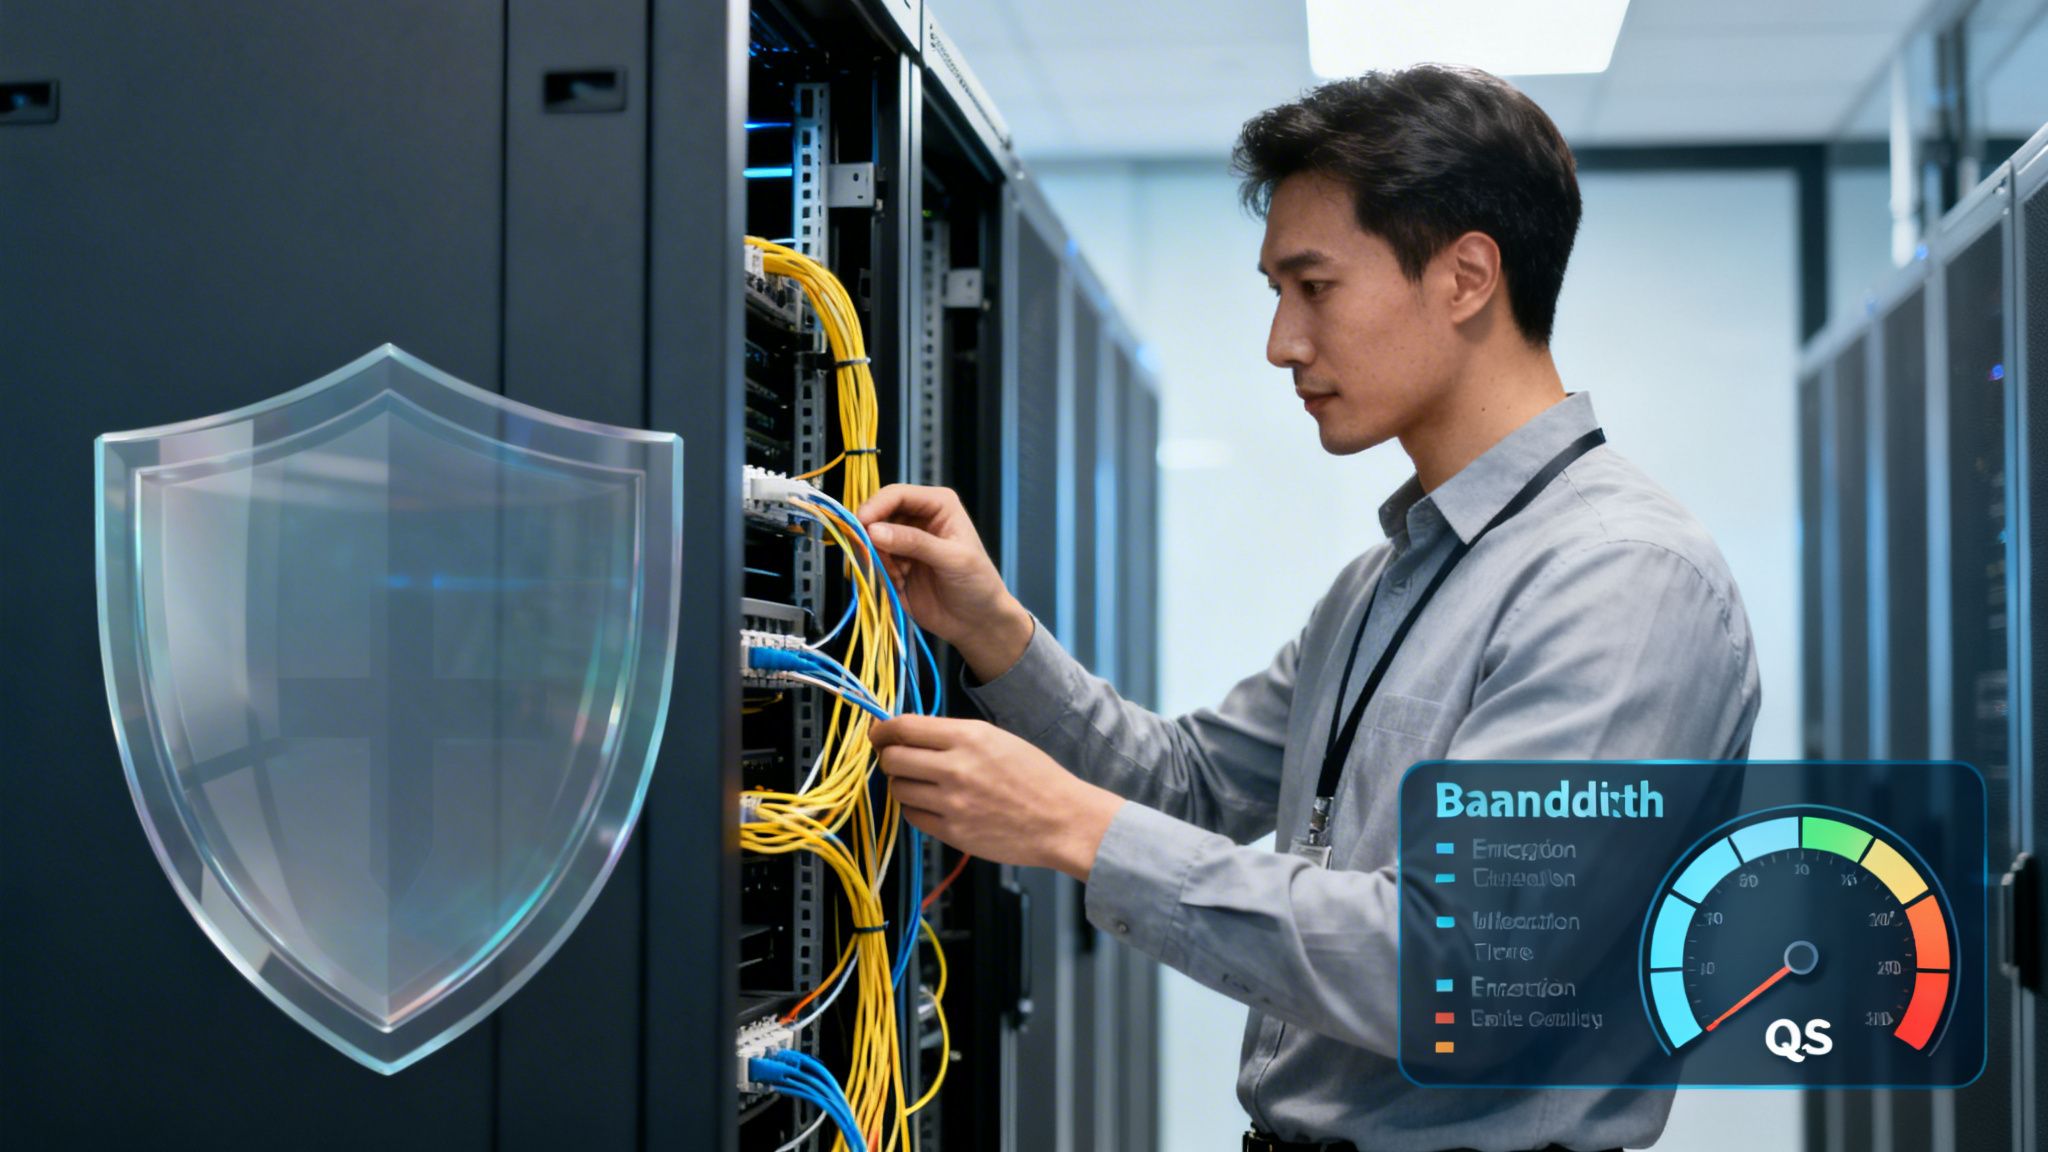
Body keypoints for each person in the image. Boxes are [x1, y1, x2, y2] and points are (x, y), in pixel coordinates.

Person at [860, 65, 1760, 1152]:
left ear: (1466, 275)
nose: (1281, 342)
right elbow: (1185, 784)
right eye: (1273, 293)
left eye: (1313, 287)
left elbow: (1458, 967)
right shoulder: (1383, 583)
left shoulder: (1621, 580)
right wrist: (991, 626)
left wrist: (1070, 827)